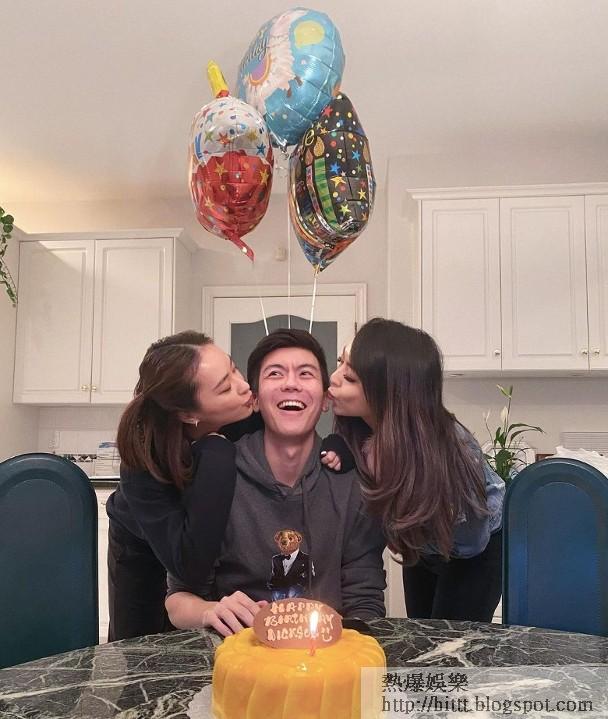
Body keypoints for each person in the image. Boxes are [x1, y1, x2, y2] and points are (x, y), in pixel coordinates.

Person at [165, 329, 386, 636]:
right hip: (235, 651)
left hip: (324, 654)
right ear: (254, 399)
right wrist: (210, 610)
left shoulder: (352, 484)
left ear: (326, 399)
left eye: (305, 373)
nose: (291, 383)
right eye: (275, 373)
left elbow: (366, 602)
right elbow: (178, 600)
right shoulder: (215, 477)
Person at [329, 318, 504, 622]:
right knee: (421, 632)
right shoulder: (360, 434)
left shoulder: (450, 450)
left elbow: (471, 541)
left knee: (452, 642)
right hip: (421, 546)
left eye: (350, 377)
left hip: (472, 552)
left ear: (389, 390)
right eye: (339, 363)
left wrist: (406, 527)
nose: (332, 379)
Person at [106, 330, 253, 640]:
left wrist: (338, 450)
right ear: (188, 413)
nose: (243, 385)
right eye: (225, 387)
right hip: (143, 559)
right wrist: (216, 448)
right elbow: (190, 563)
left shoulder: (243, 408)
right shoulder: (144, 462)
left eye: (234, 368)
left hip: (206, 562)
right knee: (142, 651)